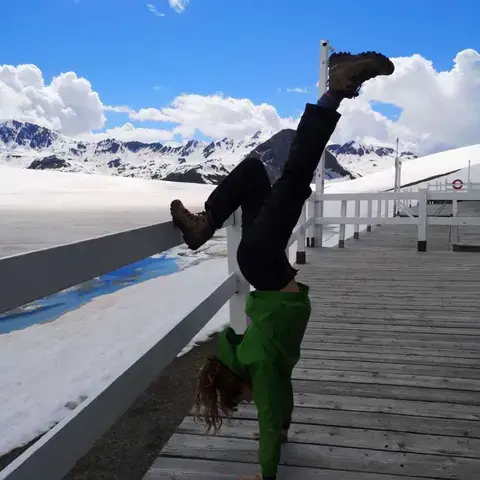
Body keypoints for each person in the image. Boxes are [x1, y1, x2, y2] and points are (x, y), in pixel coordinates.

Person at [170, 51, 395, 480]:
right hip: (264, 265)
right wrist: (285, 425)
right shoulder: (263, 365)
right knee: (256, 171)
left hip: (262, 264)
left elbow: (270, 416)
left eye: (240, 400)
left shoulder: (261, 367)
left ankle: (336, 90)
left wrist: (266, 473)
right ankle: (206, 223)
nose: (250, 403)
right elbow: (281, 405)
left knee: (294, 177)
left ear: (239, 382)